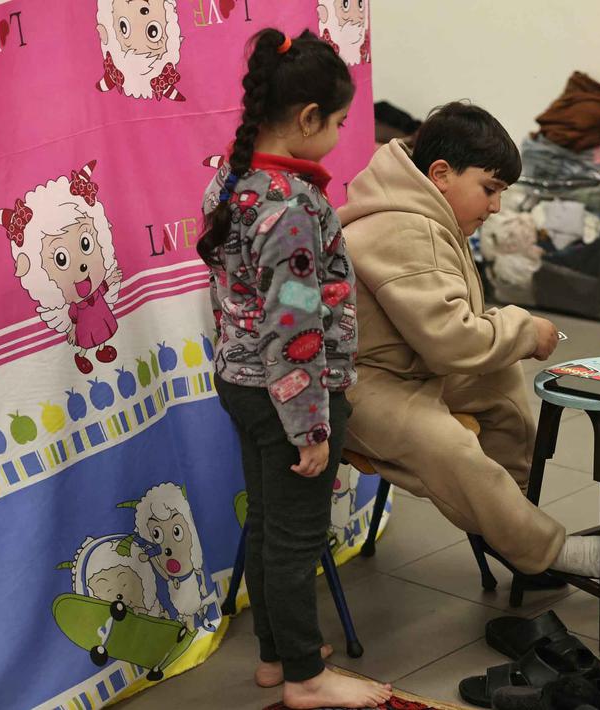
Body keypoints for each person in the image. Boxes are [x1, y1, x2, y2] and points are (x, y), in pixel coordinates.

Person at [197, 28, 391, 709]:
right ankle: (308, 679)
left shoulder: (235, 180)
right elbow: (296, 327)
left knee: (268, 524)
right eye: (337, 122)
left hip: (241, 384)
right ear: (307, 118)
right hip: (292, 396)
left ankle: (277, 657)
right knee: (295, 535)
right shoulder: (292, 206)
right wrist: (309, 426)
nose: (339, 135)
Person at [338, 102, 600, 579]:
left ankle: (510, 521)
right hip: (361, 385)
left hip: (411, 366)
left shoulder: (428, 210)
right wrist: (525, 329)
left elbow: (449, 330)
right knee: (447, 445)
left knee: (497, 379)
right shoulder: (403, 225)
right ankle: (539, 549)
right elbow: (454, 342)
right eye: (490, 189)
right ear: (441, 173)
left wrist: (507, 336)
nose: (496, 206)